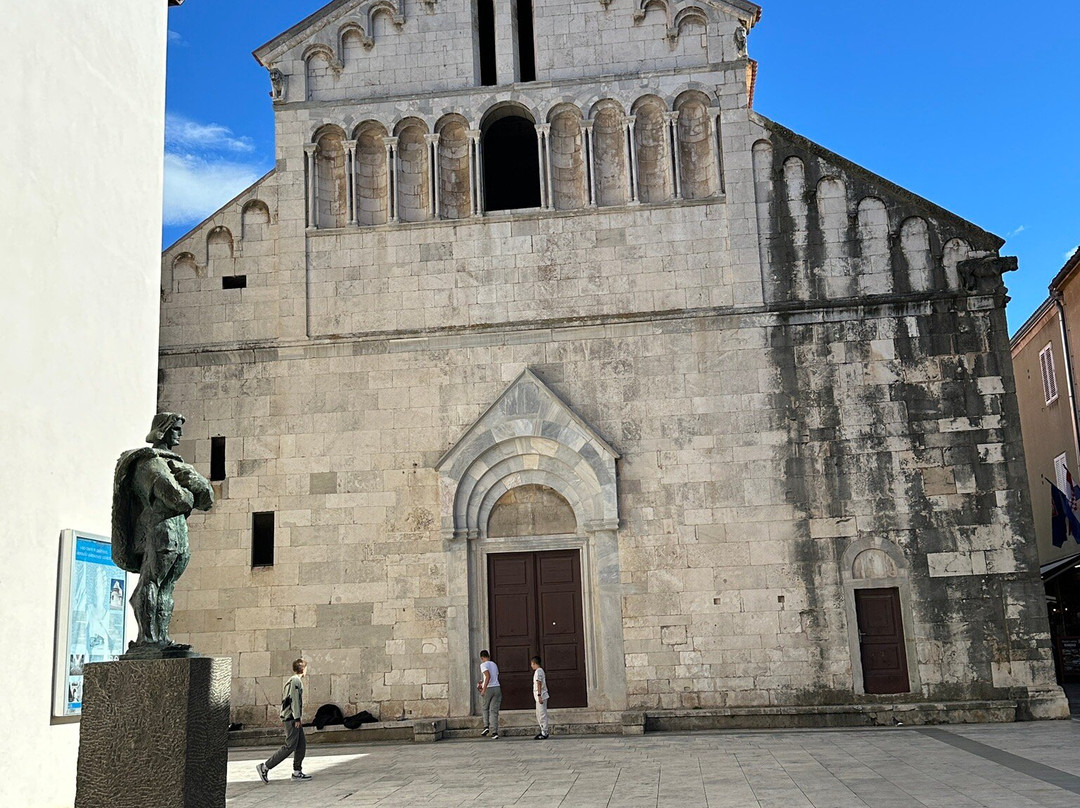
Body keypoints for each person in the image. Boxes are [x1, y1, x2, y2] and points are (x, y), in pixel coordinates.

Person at [112, 412, 214, 657]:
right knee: (152, 581)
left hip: (178, 531)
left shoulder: (177, 463)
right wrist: (191, 493)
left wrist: (198, 484)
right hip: (160, 530)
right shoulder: (148, 462)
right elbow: (175, 497)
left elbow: (208, 499)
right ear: (164, 429)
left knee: (168, 586)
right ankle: (147, 639)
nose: (179, 434)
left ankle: (162, 636)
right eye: (175, 429)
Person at [257, 659, 312, 783]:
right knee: (290, 746)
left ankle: (297, 772)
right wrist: (297, 718)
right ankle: (265, 767)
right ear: (303, 669)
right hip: (291, 719)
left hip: (292, 718)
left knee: (301, 745)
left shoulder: (292, 681)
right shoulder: (296, 681)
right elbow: (294, 700)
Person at [477, 650, 501, 739]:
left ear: (482, 658)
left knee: (485, 708)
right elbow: (494, 676)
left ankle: (486, 726)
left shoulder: (483, 665)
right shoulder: (494, 664)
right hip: (497, 687)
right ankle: (495, 732)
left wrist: (484, 688)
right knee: (494, 711)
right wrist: (483, 682)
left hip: (489, 688)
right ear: (489, 656)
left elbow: (488, 676)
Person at [531, 656, 550, 740]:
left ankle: (544, 731)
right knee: (539, 713)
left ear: (534, 663)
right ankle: (542, 729)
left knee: (542, 714)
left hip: (541, 695)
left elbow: (539, 683)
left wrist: (539, 695)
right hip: (539, 695)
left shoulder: (538, 671)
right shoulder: (539, 671)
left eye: (532, 664)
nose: (531, 666)